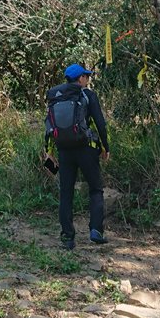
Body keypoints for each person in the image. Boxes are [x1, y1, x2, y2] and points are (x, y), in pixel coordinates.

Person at [44, 64, 111, 250]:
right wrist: (106, 147)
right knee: (96, 189)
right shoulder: (87, 95)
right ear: (80, 78)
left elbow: (49, 126)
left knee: (66, 193)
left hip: (64, 150)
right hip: (87, 149)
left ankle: (67, 237)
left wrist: (48, 152)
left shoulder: (56, 97)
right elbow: (100, 123)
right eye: (86, 76)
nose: (88, 80)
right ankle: (96, 230)